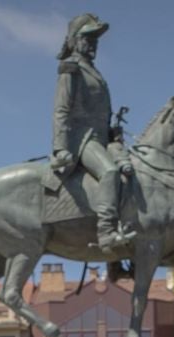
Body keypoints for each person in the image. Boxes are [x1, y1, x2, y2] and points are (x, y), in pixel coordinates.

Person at [51, 13, 134, 253]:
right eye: (87, 38)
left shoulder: (94, 71)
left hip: (102, 139)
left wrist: (112, 132)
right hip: (82, 139)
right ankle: (106, 232)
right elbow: (61, 110)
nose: (93, 43)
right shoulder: (71, 69)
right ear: (74, 40)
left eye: (95, 39)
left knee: (132, 171)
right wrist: (60, 148)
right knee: (109, 172)